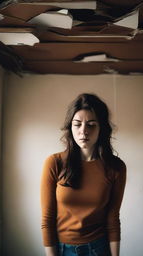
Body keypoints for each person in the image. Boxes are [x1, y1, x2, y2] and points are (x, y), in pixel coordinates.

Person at [40, 93, 126, 256]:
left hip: (100, 249)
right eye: (77, 124)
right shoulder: (55, 163)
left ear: (101, 128)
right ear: (70, 127)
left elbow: (113, 218)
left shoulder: (116, 167)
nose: (83, 131)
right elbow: (47, 220)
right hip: (63, 249)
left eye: (91, 125)